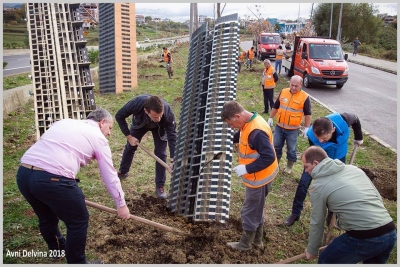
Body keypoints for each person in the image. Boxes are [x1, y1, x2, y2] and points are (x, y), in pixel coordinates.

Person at [16, 108, 131, 264]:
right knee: (78, 220)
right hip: (53, 179)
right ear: (102, 122)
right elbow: (110, 176)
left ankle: (57, 249)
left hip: (24, 173)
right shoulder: (98, 138)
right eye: (110, 128)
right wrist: (121, 204)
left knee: (46, 217)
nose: (109, 133)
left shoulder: (65, 122)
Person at [302, 146, 396, 264]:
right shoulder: (354, 169)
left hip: (364, 238)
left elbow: (317, 221)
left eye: (306, 167)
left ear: (315, 163)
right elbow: (377, 196)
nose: (305, 171)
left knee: (326, 260)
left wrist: (312, 250)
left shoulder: (318, 187)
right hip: (390, 231)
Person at [284, 112, 364, 226]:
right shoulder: (312, 134)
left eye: (324, 138)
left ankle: (331, 217)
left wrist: (359, 137)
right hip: (319, 157)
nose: (321, 141)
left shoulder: (344, 120)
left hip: (339, 157)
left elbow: (355, 118)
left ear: (332, 130)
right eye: (318, 138)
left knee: (336, 188)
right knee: (303, 183)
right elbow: (315, 151)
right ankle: (295, 213)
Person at [221, 101, 278, 251]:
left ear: (238, 116)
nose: (230, 127)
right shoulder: (250, 120)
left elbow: (268, 157)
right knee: (256, 208)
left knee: (250, 211)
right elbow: (242, 134)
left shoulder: (256, 132)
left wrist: (247, 168)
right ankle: (257, 241)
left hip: (259, 179)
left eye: (230, 123)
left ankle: (245, 244)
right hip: (261, 175)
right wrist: (229, 140)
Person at [115, 95, 177, 199]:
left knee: (161, 154)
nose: (158, 119)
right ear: (146, 111)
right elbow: (119, 116)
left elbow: (172, 136)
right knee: (130, 147)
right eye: (155, 117)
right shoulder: (136, 103)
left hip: (159, 129)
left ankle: (160, 186)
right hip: (140, 124)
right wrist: (129, 137)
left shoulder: (167, 112)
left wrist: (173, 159)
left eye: (160, 116)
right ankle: (123, 172)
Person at [267, 75, 311, 173]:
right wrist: (270, 117)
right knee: (276, 146)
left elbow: (308, 114)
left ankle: (289, 167)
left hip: (293, 129)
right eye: (292, 85)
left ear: (301, 85)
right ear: (289, 83)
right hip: (279, 126)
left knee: (291, 149)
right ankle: (275, 165)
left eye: (296, 86)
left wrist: (307, 128)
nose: (293, 88)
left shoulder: (304, 97)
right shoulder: (283, 92)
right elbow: (276, 106)